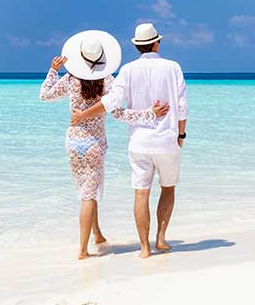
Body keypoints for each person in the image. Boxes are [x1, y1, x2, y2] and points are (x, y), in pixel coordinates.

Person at [40, 30, 169, 260]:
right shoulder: (108, 81)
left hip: (73, 141)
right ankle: (82, 250)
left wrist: (53, 70)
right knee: (88, 195)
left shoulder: (70, 79)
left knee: (87, 190)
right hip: (94, 145)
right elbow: (120, 113)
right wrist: (149, 113)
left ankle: (97, 234)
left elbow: (44, 95)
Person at [71, 23, 188, 259]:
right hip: (166, 140)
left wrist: (82, 115)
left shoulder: (128, 70)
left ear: (138, 46)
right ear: (156, 43)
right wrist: (181, 135)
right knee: (168, 188)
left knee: (141, 193)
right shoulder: (173, 67)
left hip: (139, 143)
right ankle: (161, 238)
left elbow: (112, 102)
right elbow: (182, 107)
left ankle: (145, 248)